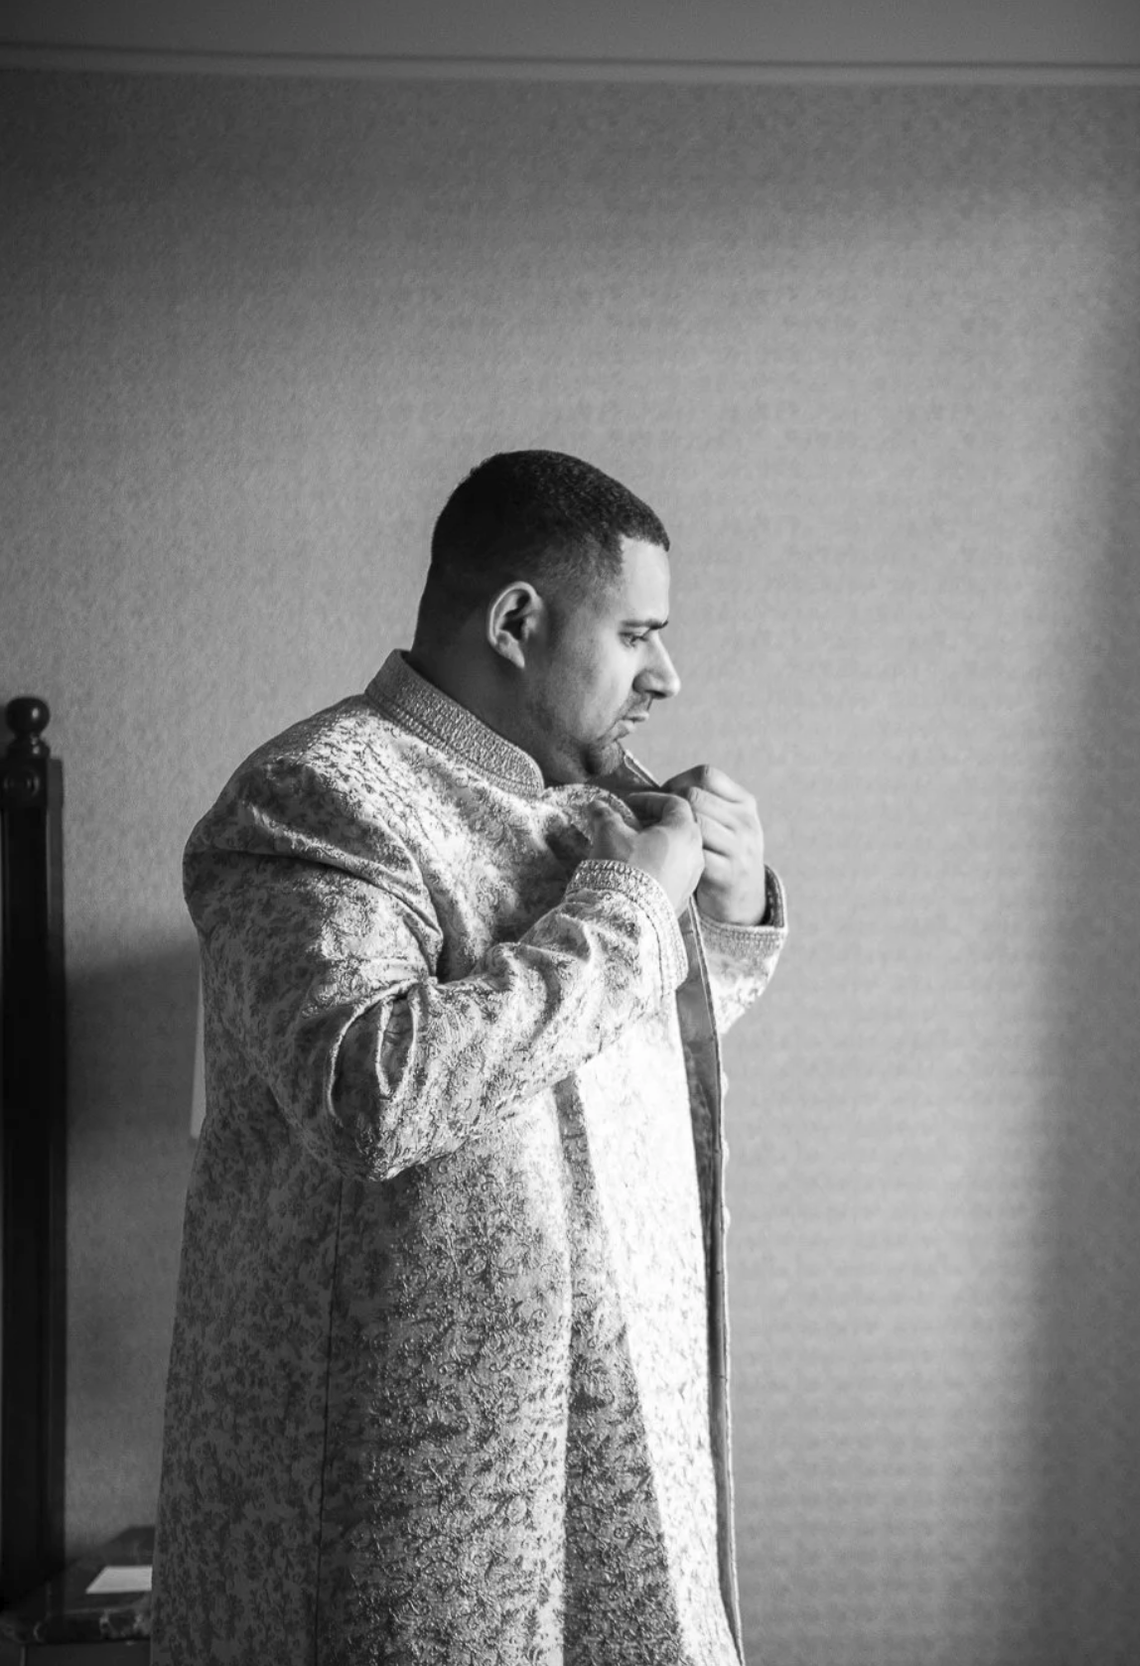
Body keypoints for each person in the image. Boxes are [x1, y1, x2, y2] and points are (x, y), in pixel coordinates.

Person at [155, 451, 787, 1664]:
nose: (667, 674)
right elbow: (373, 1091)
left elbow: (598, 1061)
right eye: (639, 633)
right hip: (411, 1483)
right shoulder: (312, 800)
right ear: (514, 619)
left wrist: (725, 911)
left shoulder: (605, 806)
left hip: (625, 1427)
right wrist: (630, 913)